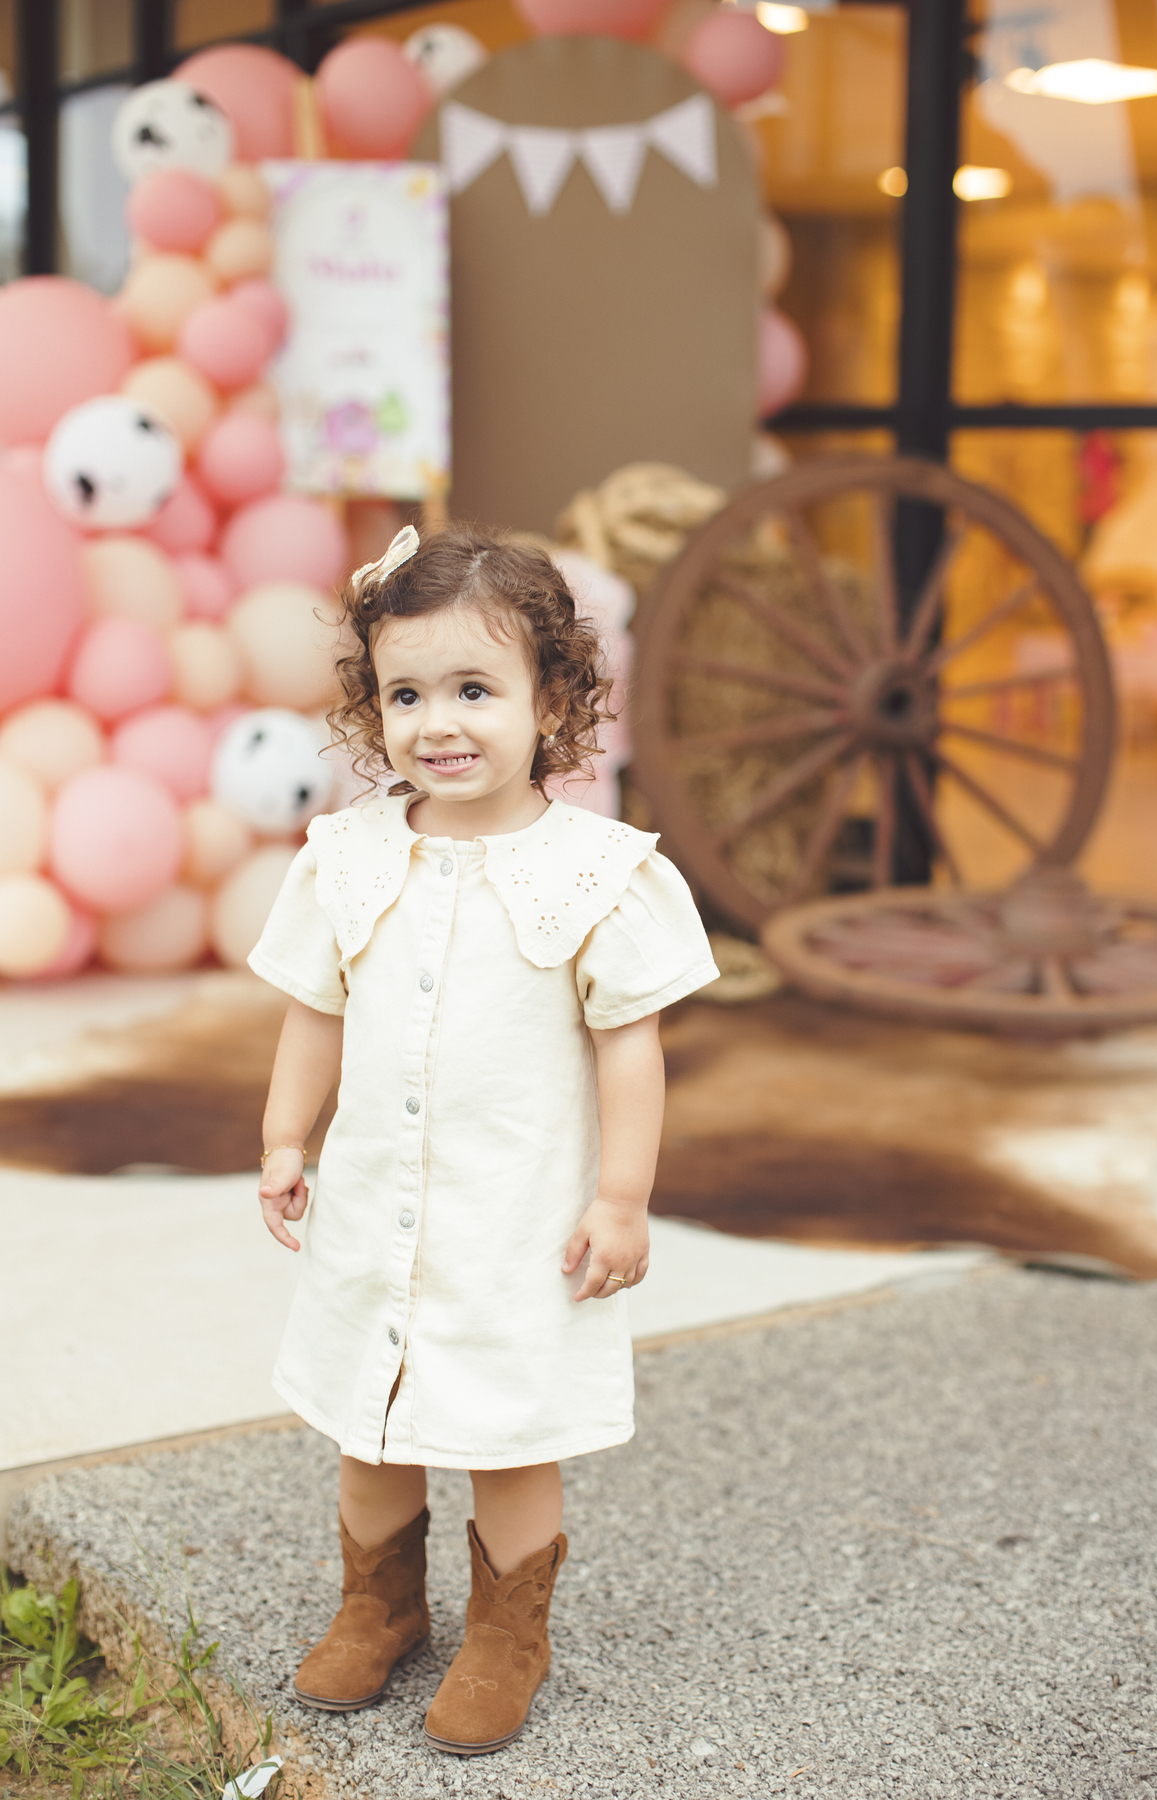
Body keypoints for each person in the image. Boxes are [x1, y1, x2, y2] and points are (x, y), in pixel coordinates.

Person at [250, 524, 718, 1755]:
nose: (438, 723)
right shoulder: (350, 854)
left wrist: (622, 1200)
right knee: (369, 1416)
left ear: (551, 700)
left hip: (515, 1219)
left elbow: (629, 1048)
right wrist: (286, 1135)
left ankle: (509, 1634)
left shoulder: (594, 873)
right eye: (406, 694)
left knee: (509, 1433)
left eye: (474, 690)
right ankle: (380, 1604)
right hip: (377, 1210)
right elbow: (316, 1008)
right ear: (373, 705)